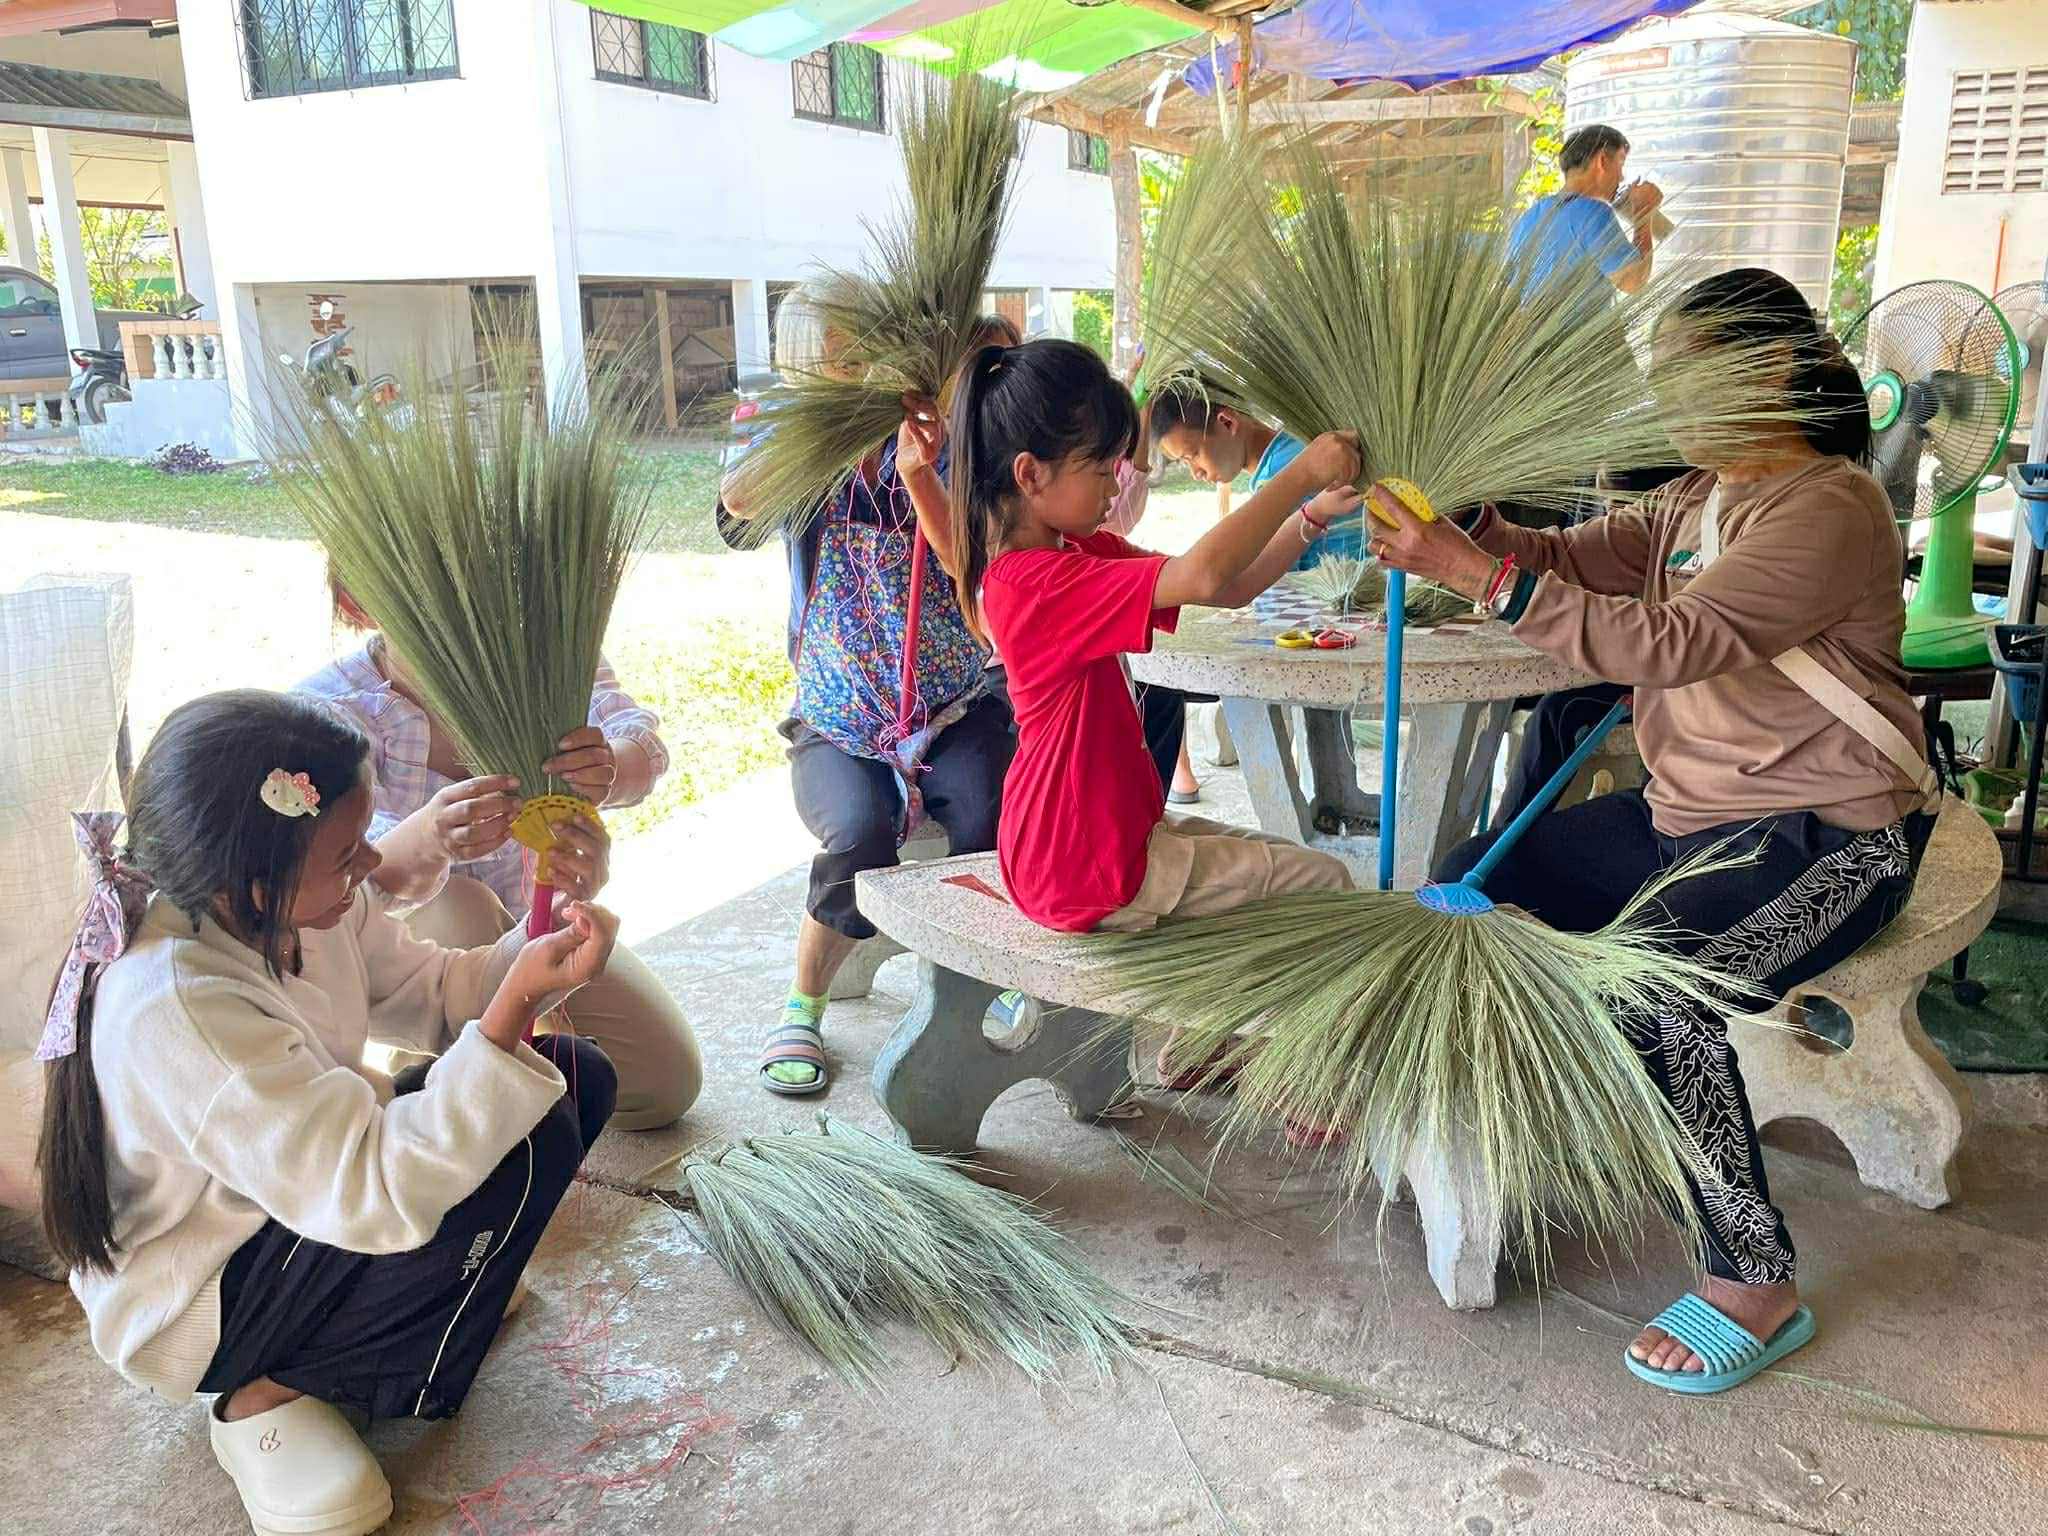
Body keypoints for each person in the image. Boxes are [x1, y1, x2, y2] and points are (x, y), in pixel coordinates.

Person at [1364, 268, 1937, 1394]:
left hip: (1824, 839)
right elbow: (1568, 562)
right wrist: (1463, 529)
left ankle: (1750, 1277)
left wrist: (1470, 577)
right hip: (1684, 818)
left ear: (1771, 369)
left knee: (1657, 996)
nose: (1660, 393)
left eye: (1683, 369)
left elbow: (1670, 642)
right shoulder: (1690, 498)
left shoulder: (1827, 505)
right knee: (1471, 893)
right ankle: (1531, 1119)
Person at [36, 690, 619, 1536]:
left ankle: (416, 1308)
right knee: (513, 1153)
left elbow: (434, 992)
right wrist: (513, 1005)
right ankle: (263, 1393)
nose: (372, 868)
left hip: (291, 1197)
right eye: (348, 855)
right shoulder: (177, 1004)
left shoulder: (290, 903)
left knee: (572, 1080)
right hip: (208, 1292)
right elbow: (373, 1189)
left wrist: (536, 947)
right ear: (256, 875)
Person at [947, 336, 1360, 941]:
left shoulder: (1075, 551)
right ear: (1030, 474)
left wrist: (1311, 517)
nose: (1117, 486)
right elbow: (1205, 573)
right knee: (1328, 884)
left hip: (1105, 837)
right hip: (1084, 864)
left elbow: (1228, 586)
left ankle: (1212, 1036)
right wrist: (1302, 473)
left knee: (1298, 866)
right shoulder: (1037, 584)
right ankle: (1236, 1035)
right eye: (1099, 468)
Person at [717, 292, 1015, 1096]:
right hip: (840, 711)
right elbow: (741, 507)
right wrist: (812, 432)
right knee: (855, 831)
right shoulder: (776, 426)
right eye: (840, 364)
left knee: (992, 812)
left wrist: (929, 460)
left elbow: (979, 569)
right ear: (804, 369)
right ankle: (804, 1005)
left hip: (954, 698)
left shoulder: (942, 432)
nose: (861, 377)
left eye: (869, 358)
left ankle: (992, 967)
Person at [298, 590, 701, 1132]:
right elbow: (330, 885)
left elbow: (638, 747)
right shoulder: (326, 715)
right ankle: (432, 1077)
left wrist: (604, 778)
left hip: (526, 924)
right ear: (357, 601)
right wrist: (429, 838)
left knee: (663, 1087)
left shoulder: (539, 659)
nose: (457, 610)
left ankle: (515, 1060)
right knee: (460, 906)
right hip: (414, 959)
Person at [1507, 123, 1661, 300]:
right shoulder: (1593, 212)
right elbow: (1634, 281)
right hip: (1585, 328)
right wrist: (1643, 213)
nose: (1621, 177)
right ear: (1602, 160)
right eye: (1620, 162)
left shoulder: (1529, 217)